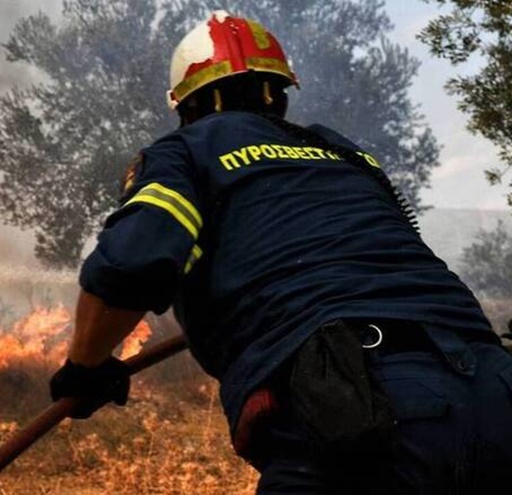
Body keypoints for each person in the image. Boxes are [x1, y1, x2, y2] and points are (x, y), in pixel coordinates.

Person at [49, 10, 512, 494]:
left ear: (187, 107)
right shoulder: (345, 155)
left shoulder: (185, 151)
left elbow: (132, 263)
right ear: (281, 96)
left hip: (358, 407)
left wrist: (85, 368)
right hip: (495, 385)